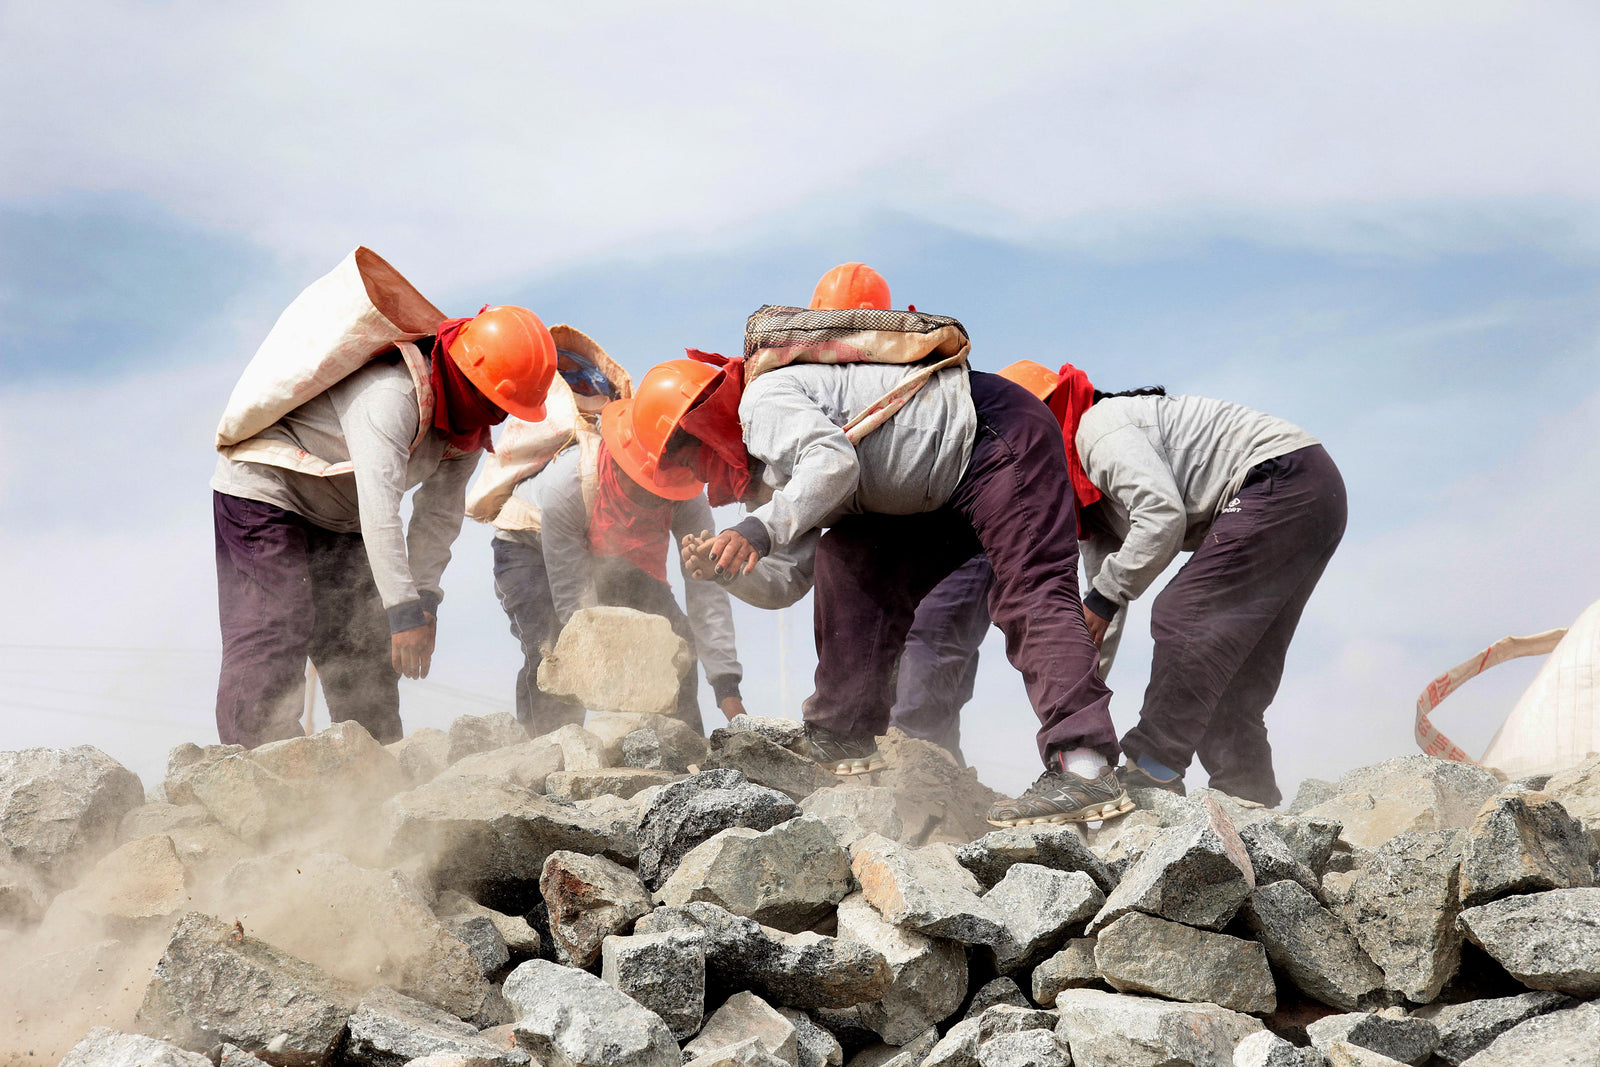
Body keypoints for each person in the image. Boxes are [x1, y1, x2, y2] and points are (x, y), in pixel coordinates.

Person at [665, 264, 1130, 826]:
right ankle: (843, 737)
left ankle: (1083, 765)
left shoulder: (762, 401)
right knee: (849, 558)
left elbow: (832, 464)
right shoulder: (780, 467)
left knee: (1031, 589)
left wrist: (758, 530)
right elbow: (794, 573)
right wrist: (731, 568)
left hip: (994, 435)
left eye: (683, 458)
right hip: (932, 482)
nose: (692, 475)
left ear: (698, 422)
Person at [1004, 360, 1346, 807]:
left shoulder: (1098, 430)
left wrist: (1103, 599)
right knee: (1228, 671)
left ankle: (1152, 766)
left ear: (1043, 417)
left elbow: (1161, 518)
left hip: (1282, 475)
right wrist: (1076, 732)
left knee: (1186, 615)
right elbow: (1099, 616)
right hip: (1314, 494)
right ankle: (1251, 803)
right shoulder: (1090, 504)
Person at [211, 305, 555, 748]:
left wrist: (425, 602)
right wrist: (403, 611)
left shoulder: (467, 428)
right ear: (467, 374)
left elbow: (439, 516)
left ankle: (375, 779)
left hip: (340, 514)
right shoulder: (392, 394)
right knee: (275, 626)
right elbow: (381, 507)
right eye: (494, 402)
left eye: (505, 408)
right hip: (267, 492)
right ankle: (260, 772)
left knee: (362, 645)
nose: (498, 416)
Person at [488, 360, 748, 736]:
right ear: (626, 460)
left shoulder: (686, 496)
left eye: (663, 490)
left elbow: (706, 587)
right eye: (644, 484)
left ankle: (682, 747)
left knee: (674, 638)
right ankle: (547, 749)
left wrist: (727, 686)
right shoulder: (570, 487)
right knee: (552, 643)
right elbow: (576, 609)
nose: (652, 495)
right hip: (528, 543)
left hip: (609, 551)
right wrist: (605, 672)